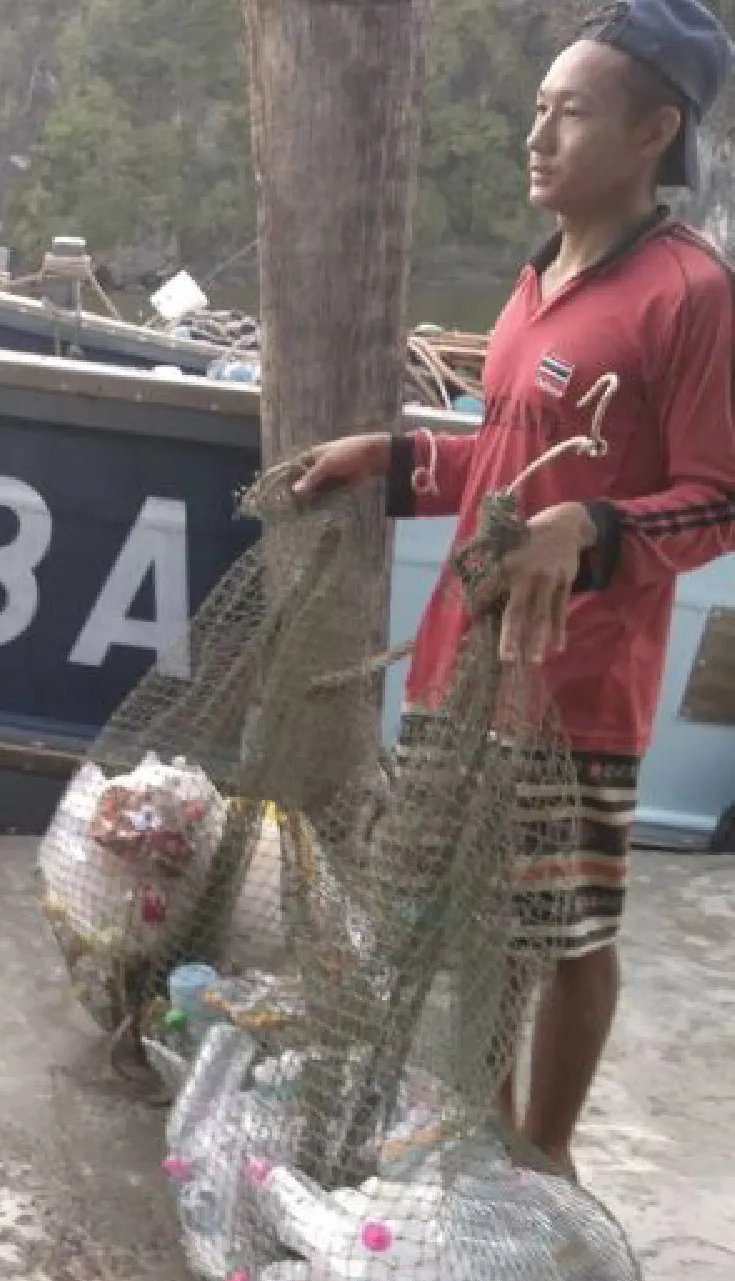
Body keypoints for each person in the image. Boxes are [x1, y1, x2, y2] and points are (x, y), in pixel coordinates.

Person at [293, 0, 735, 1176]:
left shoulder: (690, 296)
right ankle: (477, 1130)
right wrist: (391, 456)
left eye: (570, 112)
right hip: (460, 658)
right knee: (460, 923)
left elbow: (716, 501)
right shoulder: (536, 280)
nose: (536, 134)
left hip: (574, 681)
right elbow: (503, 464)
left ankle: (545, 1155)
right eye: (535, 108)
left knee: (565, 928)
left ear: (653, 131)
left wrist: (586, 530)